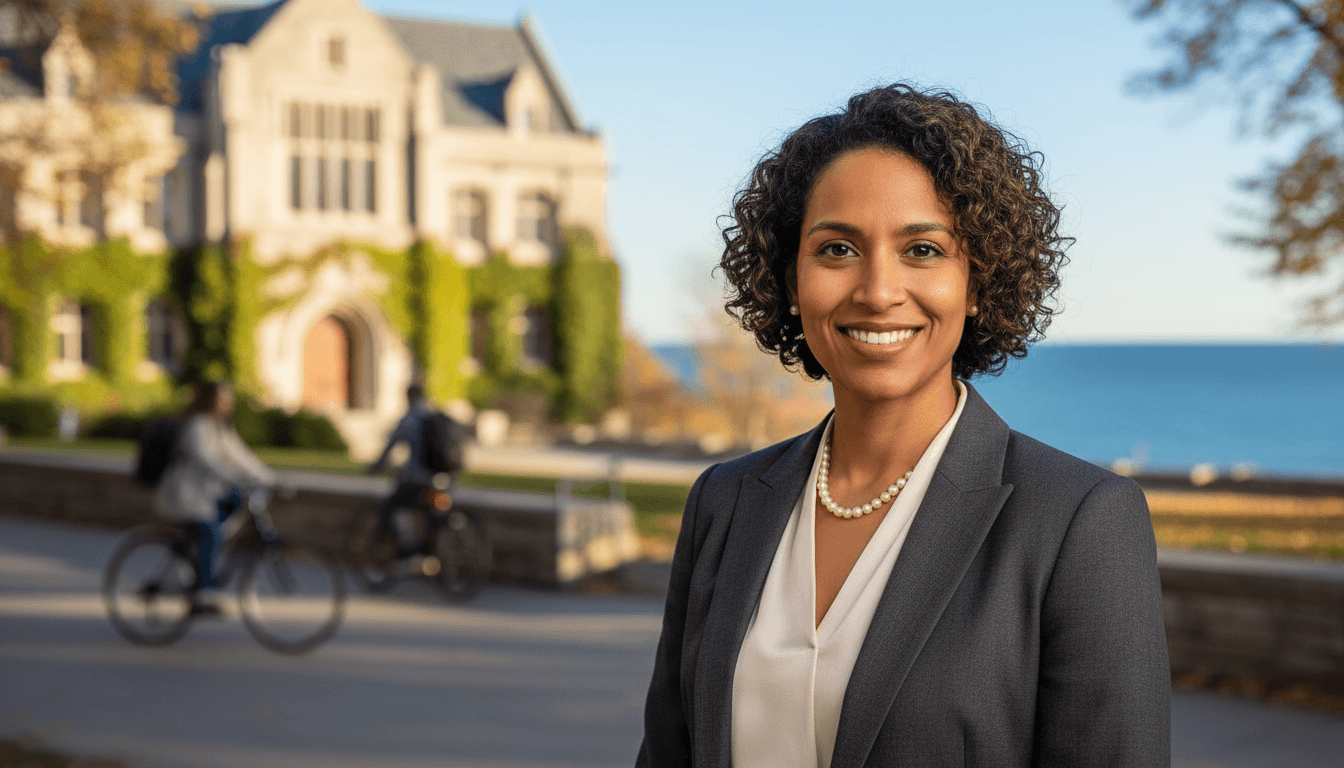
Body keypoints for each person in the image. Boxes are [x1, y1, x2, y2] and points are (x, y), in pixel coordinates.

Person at [637, 84, 1169, 767]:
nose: (879, 290)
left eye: (922, 250)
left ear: (977, 281)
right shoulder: (724, 502)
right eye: (836, 250)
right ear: (789, 279)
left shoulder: (1080, 523)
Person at [156, 381, 277, 615]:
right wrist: (234, 477)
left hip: (206, 493)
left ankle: (196, 558)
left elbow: (240, 455)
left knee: (232, 510)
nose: (227, 403)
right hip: (186, 495)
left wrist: (268, 477)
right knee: (211, 534)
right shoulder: (197, 426)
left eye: (229, 399)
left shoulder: (219, 427)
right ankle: (202, 596)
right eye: (222, 399)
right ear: (210, 400)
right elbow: (206, 460)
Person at [366, 384, 438, 558]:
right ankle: (427, 549)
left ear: (408, 397)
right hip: (442, 476)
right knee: (428, 514)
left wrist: (378, 465)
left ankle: (406, 551)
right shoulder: (435, 415)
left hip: (418, 479)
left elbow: (391, 445)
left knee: (389, 507)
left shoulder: (411, 418)